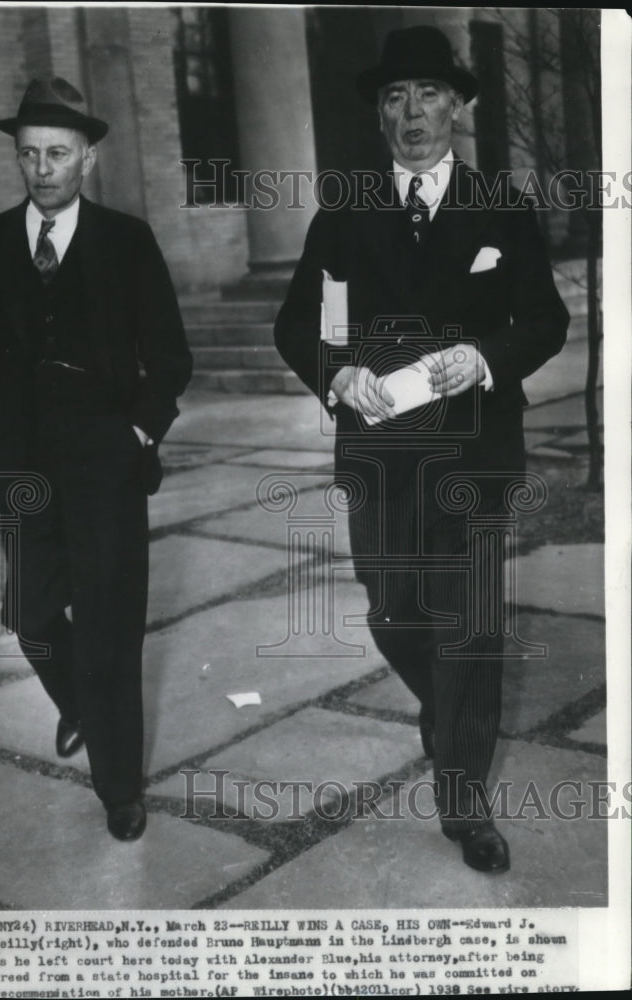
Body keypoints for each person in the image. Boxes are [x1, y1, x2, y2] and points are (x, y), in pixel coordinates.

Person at [275, 26, 569, 872]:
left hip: (475, 454)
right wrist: (337, 375)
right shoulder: (346, 210)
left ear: (458, 106)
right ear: (379, 115)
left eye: (429, 94)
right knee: (394, 614)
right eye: (395, 97)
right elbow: (300, 321)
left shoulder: (501, 208)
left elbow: (544, 321)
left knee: (469, 631)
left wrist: (480, 357)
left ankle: (464, 801)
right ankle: (447, 713)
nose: (412, 112)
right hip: (381, 455)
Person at [0, 78, 192, 841]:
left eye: (57, 153)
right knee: (31, 613)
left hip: (107, 466)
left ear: (88, 154)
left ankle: (119, 788)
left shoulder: (126, 241)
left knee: (111, 628)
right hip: (23, 466)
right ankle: (81, 702)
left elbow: (172, 359)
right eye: (28, 155)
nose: (42, 168)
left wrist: (138, 434)